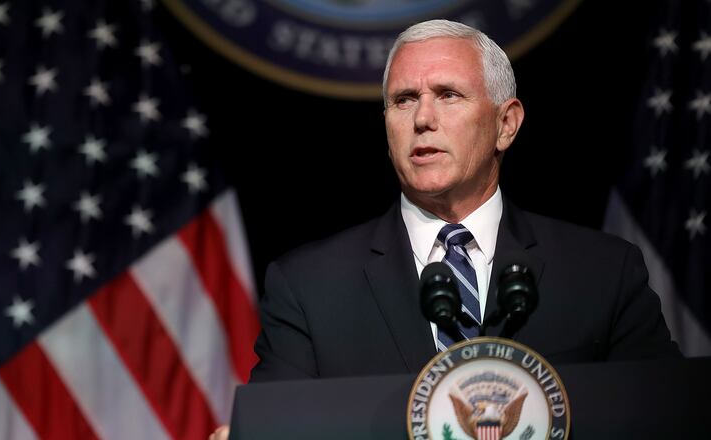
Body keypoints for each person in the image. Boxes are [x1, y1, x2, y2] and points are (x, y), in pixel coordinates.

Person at [209, 17, 678, 439]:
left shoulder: (602, 272)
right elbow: (275, 426)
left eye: (448, 95)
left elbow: (671, 417)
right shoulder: (309, 287)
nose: (423, 119)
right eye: (403, 100)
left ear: (506, 124)